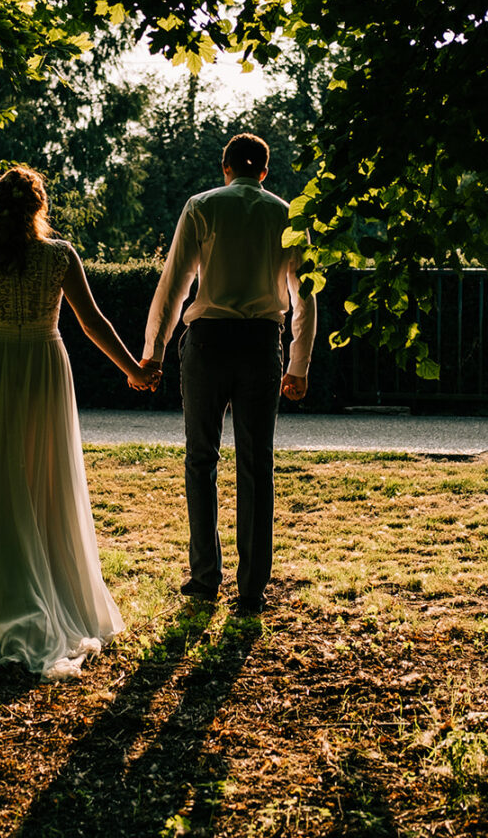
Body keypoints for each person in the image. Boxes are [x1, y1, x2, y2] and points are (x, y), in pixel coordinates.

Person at [0, 165, 159, 680]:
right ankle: (52, 590)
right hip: (43, 364)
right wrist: (134, 371)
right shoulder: (59, 255)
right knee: (44, 480)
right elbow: (92, 321)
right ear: (41, 208)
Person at [138, 133, 317, 617]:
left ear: (225, 167)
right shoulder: (287, 214)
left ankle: (204, 579)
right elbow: (305, 296)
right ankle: (252, 588)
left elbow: (174, 284)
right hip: (261, 344)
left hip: (208, 343)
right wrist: (298, 364)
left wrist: (152, 353)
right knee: (257, 465)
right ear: (263, 171)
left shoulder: (201, 207)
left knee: (201, 458)